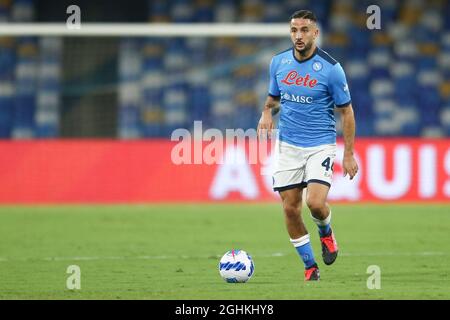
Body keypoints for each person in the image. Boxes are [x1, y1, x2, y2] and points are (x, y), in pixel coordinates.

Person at [257, 10, 359, 281]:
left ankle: (326, 233)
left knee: (314, 203)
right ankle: (310, 267)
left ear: (315, 33)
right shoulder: (278, 63)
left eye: (304, 30)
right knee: (290, 208)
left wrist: (348, 154)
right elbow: (272, 99)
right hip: (288, 145)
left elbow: (346, 111)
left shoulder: (331, 68)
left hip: (320, 145)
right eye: (294, 30)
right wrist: (266, 114)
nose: (298, 36)